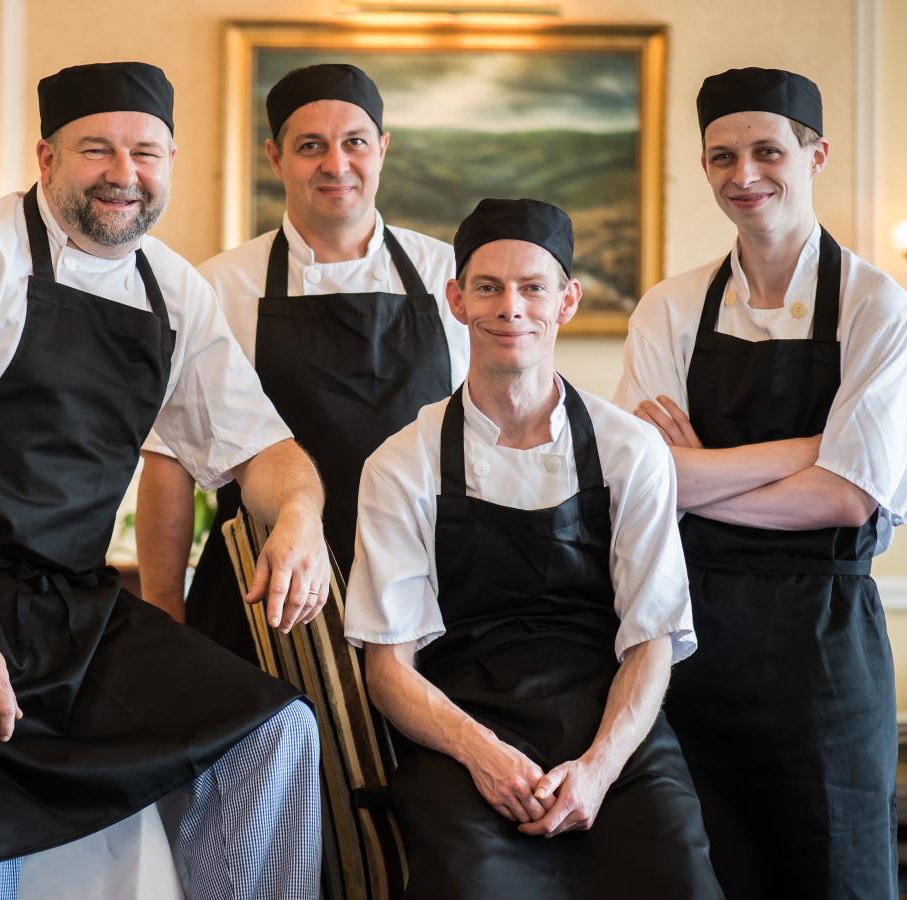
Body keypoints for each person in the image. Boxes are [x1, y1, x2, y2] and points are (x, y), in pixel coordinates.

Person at [0, 61, 329, 900]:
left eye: (146, 153)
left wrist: (301, 518)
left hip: (64, 606)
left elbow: (264, 451)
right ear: (46, 157)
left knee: (272, 733)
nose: (124, 175)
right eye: (96, 149)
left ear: (169, 162)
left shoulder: (177, 292)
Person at [344, 198, 722, 899]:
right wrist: (483, 755)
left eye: (532, 287)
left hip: (611, 726)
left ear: (567, 301)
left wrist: (599, 769)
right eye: (487, 286)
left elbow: (652, 642)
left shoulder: (628, 449)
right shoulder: (403, 463)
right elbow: (389, 669)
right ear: (456, 300)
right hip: (458, 731)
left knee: (681, 880)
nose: (508, 307)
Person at [613, 67, 907, 899]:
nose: (744, 175)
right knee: (699, 869)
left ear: (816, 156)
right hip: (689, 639)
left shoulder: (876, 308)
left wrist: (696, 471)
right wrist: (810, 449)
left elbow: (848, 499)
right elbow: (644, 486)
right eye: (721, 156)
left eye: (767, 151)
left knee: (835, 871)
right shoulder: (668, 309)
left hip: (826, 647)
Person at [135, 63, 468, 661]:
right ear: (275, 156)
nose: (336, 165)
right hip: (265, 595)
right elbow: (168, 466)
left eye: (355, 143)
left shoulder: (452, 277)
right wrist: (164, 623)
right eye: (310, 145)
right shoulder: (218, 286)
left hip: (425, 587)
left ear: (383, 149)